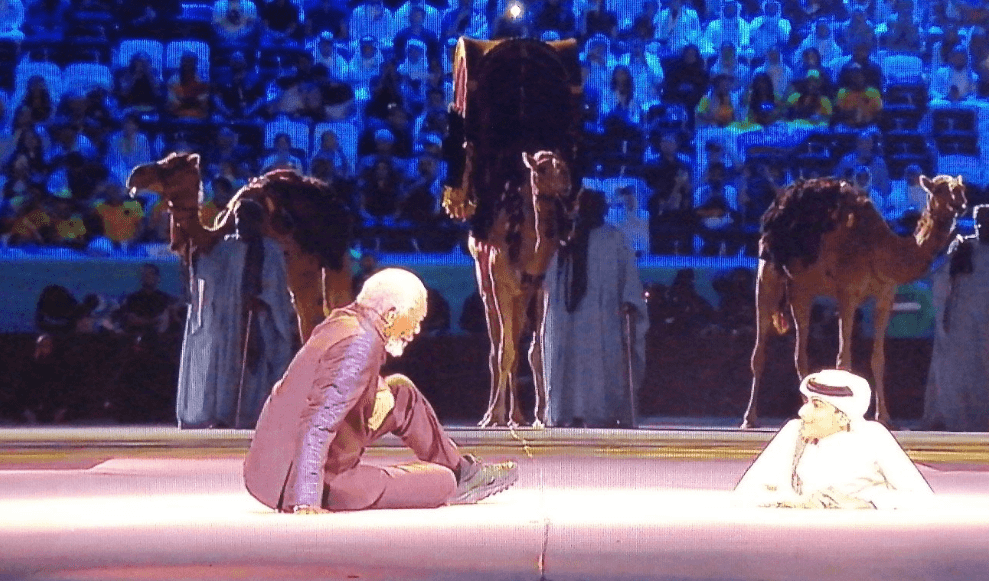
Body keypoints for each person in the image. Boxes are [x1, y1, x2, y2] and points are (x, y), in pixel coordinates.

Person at [243, 268, 519, 513]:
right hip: (299, 483)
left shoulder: (343, 322)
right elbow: (318, 420)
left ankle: (464, 472)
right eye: (415, 318)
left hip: (269, 470)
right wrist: (304, 500)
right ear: (390, 314)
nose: (417, 330)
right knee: (441, 482)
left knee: (401, 393)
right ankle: (454, 478)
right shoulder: (360, 344)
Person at [733, 369, 934, 509]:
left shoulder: (873, 436)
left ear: (842, 415)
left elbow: (921, 498)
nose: (803, 412)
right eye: (806, 402)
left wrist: (864, 503)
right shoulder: (794, 432)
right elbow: (745, 493)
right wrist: (793, 500)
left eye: (817, 405)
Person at [176, 199, 297, 429]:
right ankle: (226, 414)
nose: (241, 224)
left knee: (257, 366)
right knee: (226, 366)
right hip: (230, 319)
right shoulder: (226, 248)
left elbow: (278, 286)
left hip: (259, 318)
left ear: (258, 222)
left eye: (247, 220)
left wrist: (263, 300)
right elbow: (206, 272)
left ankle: (255, 415)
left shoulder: (270, 250)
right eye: (238, 219)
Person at [543, 191, 649, 428]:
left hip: (605, 319)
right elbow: (551, 281)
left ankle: (603, 413)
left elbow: (629, 277)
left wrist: (630, 301)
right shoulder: (567, 240)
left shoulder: (615, 239)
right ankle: (567, 411)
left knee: (603, 367)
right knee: (570, 364)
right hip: (569, 321)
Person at [922, 204, 989, 432]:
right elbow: (941, 278)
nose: (984, 227)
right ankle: (953, 418)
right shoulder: (964, 246)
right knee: (957, 372)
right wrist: (955, 263)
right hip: (961, 322)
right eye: (980, 222)